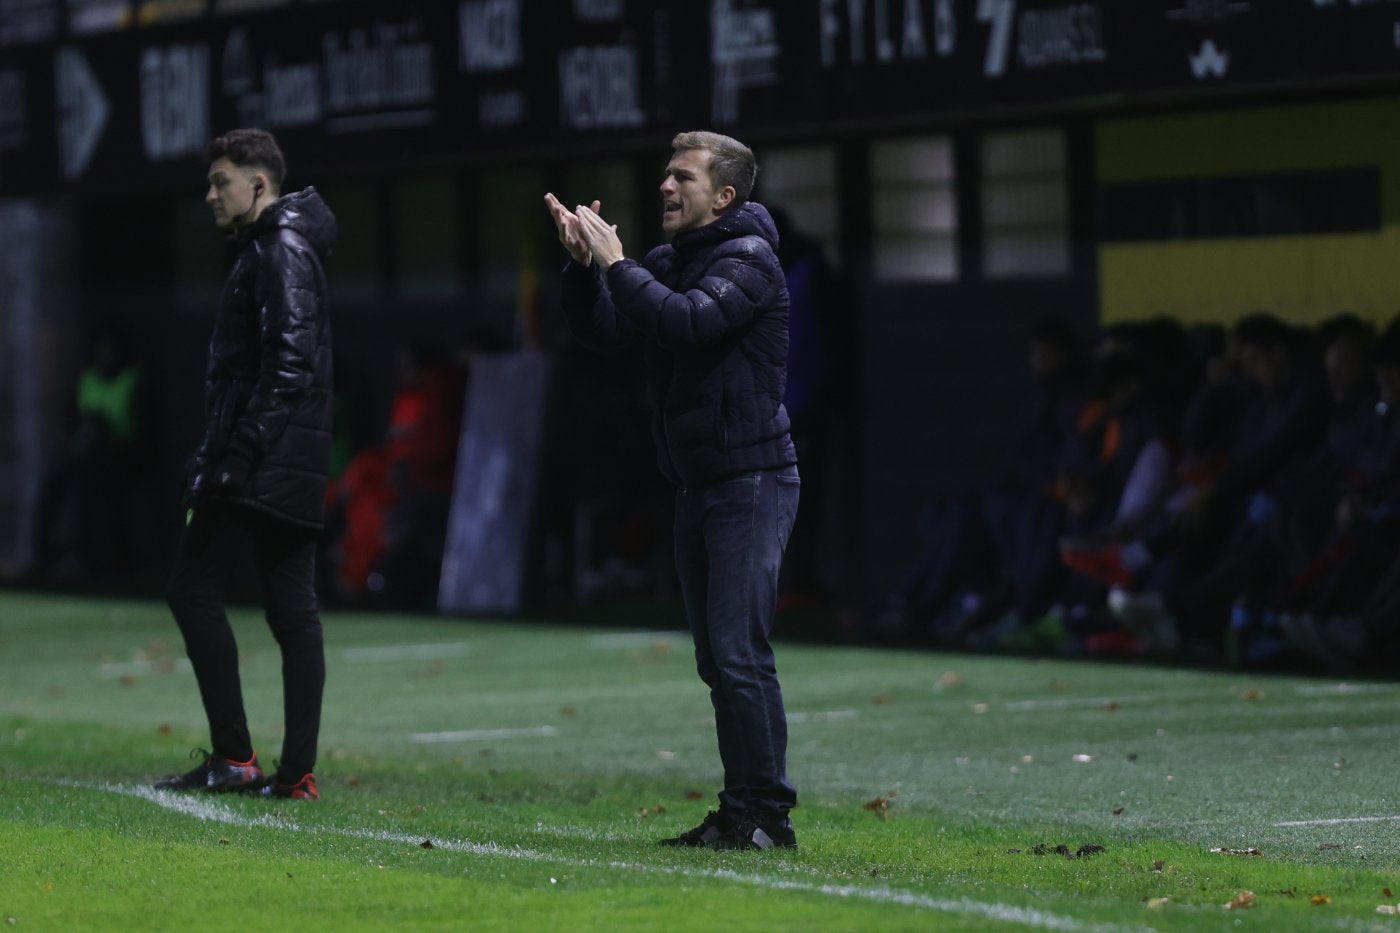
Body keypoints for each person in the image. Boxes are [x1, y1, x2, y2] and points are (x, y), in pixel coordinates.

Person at [544, 131, 800, 850]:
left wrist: (618, 262)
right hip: (698, 483)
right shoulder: (672, 260)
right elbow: (606, 328)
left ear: (723, 196)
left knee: (738, 649)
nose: (665, 187)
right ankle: (742, 809)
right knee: (717, 658)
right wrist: (583, 270)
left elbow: (686, 323)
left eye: (682, 178)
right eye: (664, 175)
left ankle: (765, 816)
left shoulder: (749, 260)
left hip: (752, 480)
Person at [156, 128, 336, 801]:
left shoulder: (279, 251)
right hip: (284, 459)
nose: (210, 194)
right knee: (292, 612)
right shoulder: (276, 248)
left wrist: (235, 453)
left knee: (195, 587)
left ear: (258, 184)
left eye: (221, 181)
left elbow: (287, 365)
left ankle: (241, 757)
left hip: (263, 460)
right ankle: (292, 771)